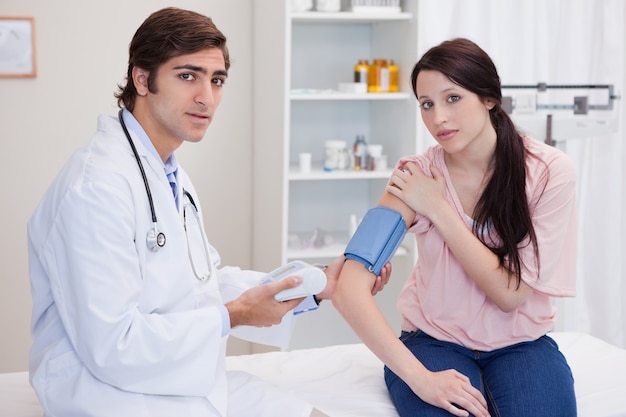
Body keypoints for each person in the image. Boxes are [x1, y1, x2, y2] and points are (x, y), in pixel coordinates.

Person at [26, 7, 389, 417]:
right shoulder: (95, 187)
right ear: (141, 79)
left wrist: (317, 284)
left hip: (168, 376)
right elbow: (113, 344)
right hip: (106, 391)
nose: (207, 97)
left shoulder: (165, 171)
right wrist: (234, 316)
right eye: (187, 76)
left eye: (216, 80)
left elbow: (203, 284)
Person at [332, 38, 578, 417]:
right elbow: (349, 288)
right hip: (433, 341)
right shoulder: (413, 175)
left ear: (489, 98)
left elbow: (510, 294)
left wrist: (437, 207)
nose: (438, 119)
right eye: (426, 104)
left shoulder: (548, 173)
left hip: (522, 344)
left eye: (452, 98)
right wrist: (420, 378)